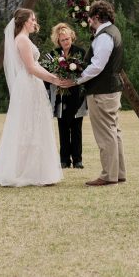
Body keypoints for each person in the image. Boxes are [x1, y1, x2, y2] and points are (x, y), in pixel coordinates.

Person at [0, 9, 69, 187]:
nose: (35, 22)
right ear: (23, 22)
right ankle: (24, 170)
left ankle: (35, 169)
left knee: (34, 124)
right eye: (32, 20)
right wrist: (53, 79)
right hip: (28, 85)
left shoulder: (24, 39)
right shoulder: (21, 40)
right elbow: (31, 68)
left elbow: (36, 65)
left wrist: (53, 76)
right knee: (27, 125)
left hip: (32, 84)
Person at [73, 0, 126, 187]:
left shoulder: (104, 36)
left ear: (96, 17)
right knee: (113, 131)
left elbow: (97, 66)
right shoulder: (114, 32)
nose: (89, 22)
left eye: (90, 19)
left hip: (102, 92)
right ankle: (118, 173)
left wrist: (76, 80)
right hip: (111, 89)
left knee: (105, 134)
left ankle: (108, 175)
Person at [47, 22, 87, 169]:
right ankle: (64, 160)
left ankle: (77, 160)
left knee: (76, 128)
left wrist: (73, 81)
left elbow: (85, 72)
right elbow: (48, 73)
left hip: (77, 96)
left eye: (68, 39)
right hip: (60, 96)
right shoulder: (53, 55)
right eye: (63, 40)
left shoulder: (80, 52)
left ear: (72, 37)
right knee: (63, 128)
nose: (66, 42)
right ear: (58, 41)